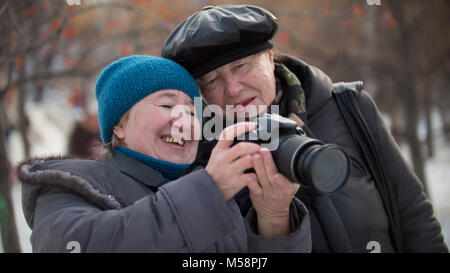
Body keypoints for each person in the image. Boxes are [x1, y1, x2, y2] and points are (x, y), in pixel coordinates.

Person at [161, 4, 448, 252]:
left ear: (270, 59)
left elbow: (413, 215)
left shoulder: (349, 108)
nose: (233, 89)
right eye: (211, 81)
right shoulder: (201, 164)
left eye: (241, 66)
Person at [17, 55, 311, 253]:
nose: (183, 122)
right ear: (119, 125)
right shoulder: (70, 186)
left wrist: (274, 216)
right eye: (167, 106)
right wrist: (209, 190)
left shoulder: (217, 187)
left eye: (192, 111)